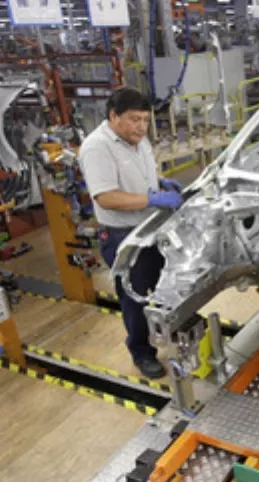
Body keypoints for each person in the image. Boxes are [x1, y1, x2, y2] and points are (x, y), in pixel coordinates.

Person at [78, 88, 184, 379]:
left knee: (165, 283)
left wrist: (161, 182)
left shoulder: (139, 140)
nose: (141, 126)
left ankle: (171, 327)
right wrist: (153, 200)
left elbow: (140, 175)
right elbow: (106, 197)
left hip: (152, 228)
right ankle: (141, 352)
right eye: (134, 119)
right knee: (134, 297)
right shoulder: (97, 147)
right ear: (113, 116)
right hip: (123, 236)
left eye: (145, 120)